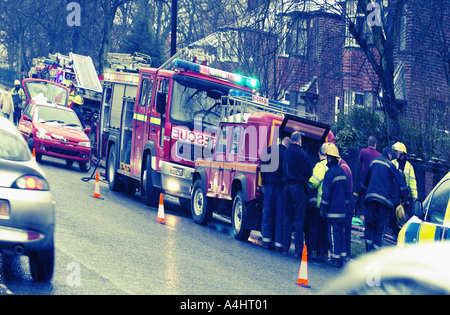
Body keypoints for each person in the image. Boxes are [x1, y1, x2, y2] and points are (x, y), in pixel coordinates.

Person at [361, 147, 407, 252]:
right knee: (380, 226)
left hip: (371, 199)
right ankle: (376, 251)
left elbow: (364, 182)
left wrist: (360, 197)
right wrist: (404, 198)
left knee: (369, 224)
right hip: (384, 202)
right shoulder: (390, 165)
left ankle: (368, 250)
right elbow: (401, 182)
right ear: (390, 156)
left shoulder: (373, 162)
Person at [282, 131, 312, 258]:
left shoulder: (286, 152)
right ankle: (298, 250)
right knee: (299, 219)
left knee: (287, 218)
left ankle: (285, 247)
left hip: (287, 187)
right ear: (299, 141)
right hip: (298, 188)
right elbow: (309, 172)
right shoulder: (302, 154)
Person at [320, 144, 349, 267]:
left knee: (333, 234)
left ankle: (335, 259)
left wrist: (322, 209)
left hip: (333, 211)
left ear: (330, 158)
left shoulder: (330, 173)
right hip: (342, 210)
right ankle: (342, 257)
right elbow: (347, 192)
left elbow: (326, 194)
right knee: (341, 234)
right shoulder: (342, 171)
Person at [261, 137, 290, 251]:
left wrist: (264, 181)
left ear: (281, 141)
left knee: (267, 214)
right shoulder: (287, 155)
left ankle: (266, 242)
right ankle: (278, 245)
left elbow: (263, 166)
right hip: (281, 189)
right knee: (279, 216)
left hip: (269, 187)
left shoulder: (271, 150)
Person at [306, 142, 331, 261]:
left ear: (319, 153)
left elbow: (313, 182)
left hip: (318, 204)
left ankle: (311, 250)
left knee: (313, 228)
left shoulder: (320, 166)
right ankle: (323, 252)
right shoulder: (332, 165)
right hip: (328, 204)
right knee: (324, 230)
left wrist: (306, 182)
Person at [389, 142, 418, 236]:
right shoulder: (393, 163)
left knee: (403, 215)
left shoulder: (409, 166)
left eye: (398, 151)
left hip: (405, 196)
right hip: (395, 194)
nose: (396, 153)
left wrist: (414, 196)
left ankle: (401, 233)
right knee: (394, 214)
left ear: (402, 153)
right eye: (396, 151)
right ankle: (395, 232)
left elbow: (412, 182)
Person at [355, 136, 381, 219]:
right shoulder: (379, 155)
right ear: (375, 144)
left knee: (362, 197)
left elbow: (360, 161)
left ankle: (361, 215)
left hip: (363, 179)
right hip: (374, 182)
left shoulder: (363, 151)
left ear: (368, 143)